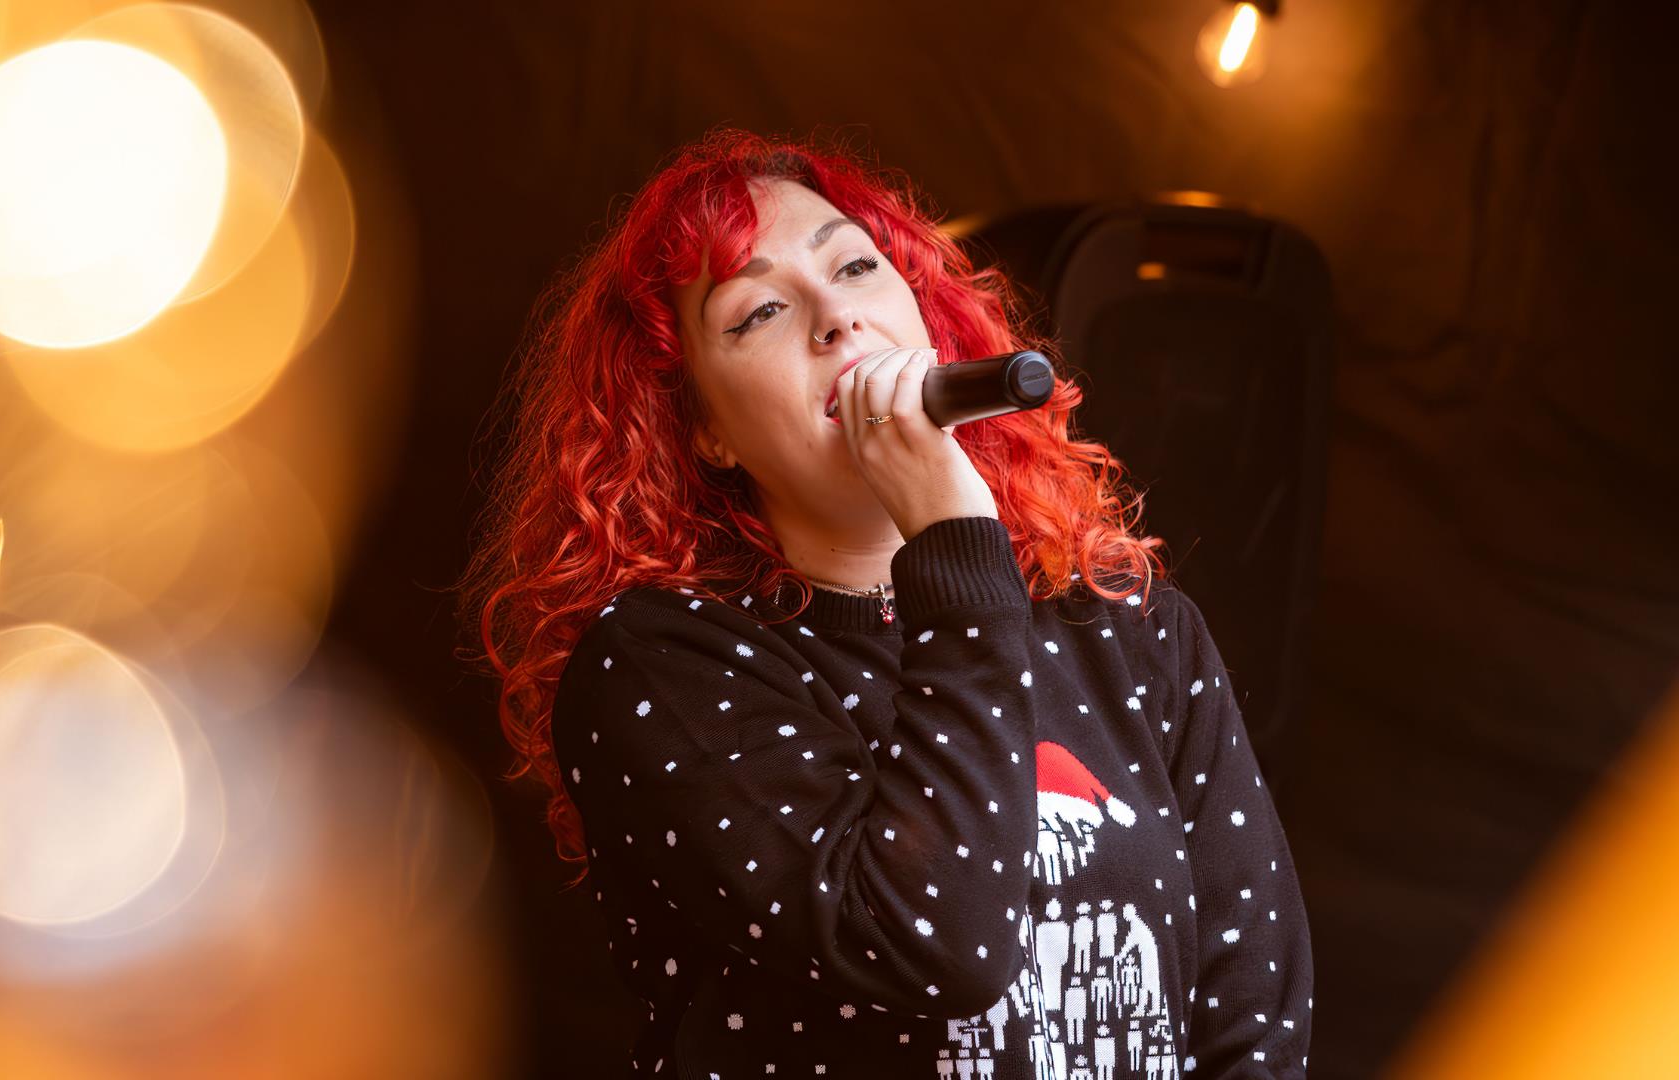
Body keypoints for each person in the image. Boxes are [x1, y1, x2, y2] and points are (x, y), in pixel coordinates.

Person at [457, 127, 1312, 1078]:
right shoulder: (660, 668)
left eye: (857, 267)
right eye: (760, 313)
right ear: (703, 431)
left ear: (925, 318)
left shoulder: (1129, 624)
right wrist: (952, 540)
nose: (836, 320)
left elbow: (1254, 1014)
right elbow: (936, 940)